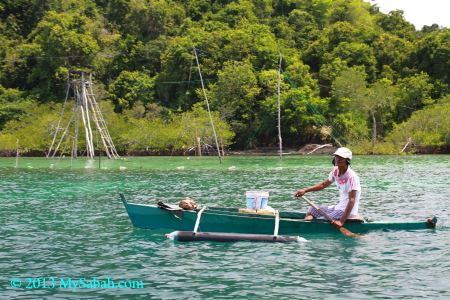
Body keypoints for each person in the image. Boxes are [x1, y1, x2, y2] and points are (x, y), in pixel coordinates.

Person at [294, 147, 361, 228]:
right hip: (338, 207)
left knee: (322, 219)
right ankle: (306, 226)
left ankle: (308, 227)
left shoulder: (351, 177)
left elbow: (352, 200)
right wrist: (305, 190)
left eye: (341, 158)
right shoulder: (335, 171)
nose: (338, 159)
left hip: (347, 211)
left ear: (347, 160)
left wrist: (341, 221)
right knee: (312, 209)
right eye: (337, 157)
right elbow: (323, 185)